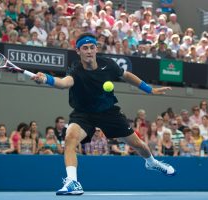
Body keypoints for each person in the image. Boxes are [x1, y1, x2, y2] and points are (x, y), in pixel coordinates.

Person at [32, 32, 176, 195]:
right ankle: (73, 182)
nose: (89, 51)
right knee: (70, 138)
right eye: (84, 48)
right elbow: (64, 83)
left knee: (138, 145)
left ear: (96, 49)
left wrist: (150, 89)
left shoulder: (108, 64)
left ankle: (151, 162)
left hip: (109, 113)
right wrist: (47, 79)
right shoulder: (76, 70)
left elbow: (126, 76)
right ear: (78, 51)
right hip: (83, 114)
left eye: (92, 47)